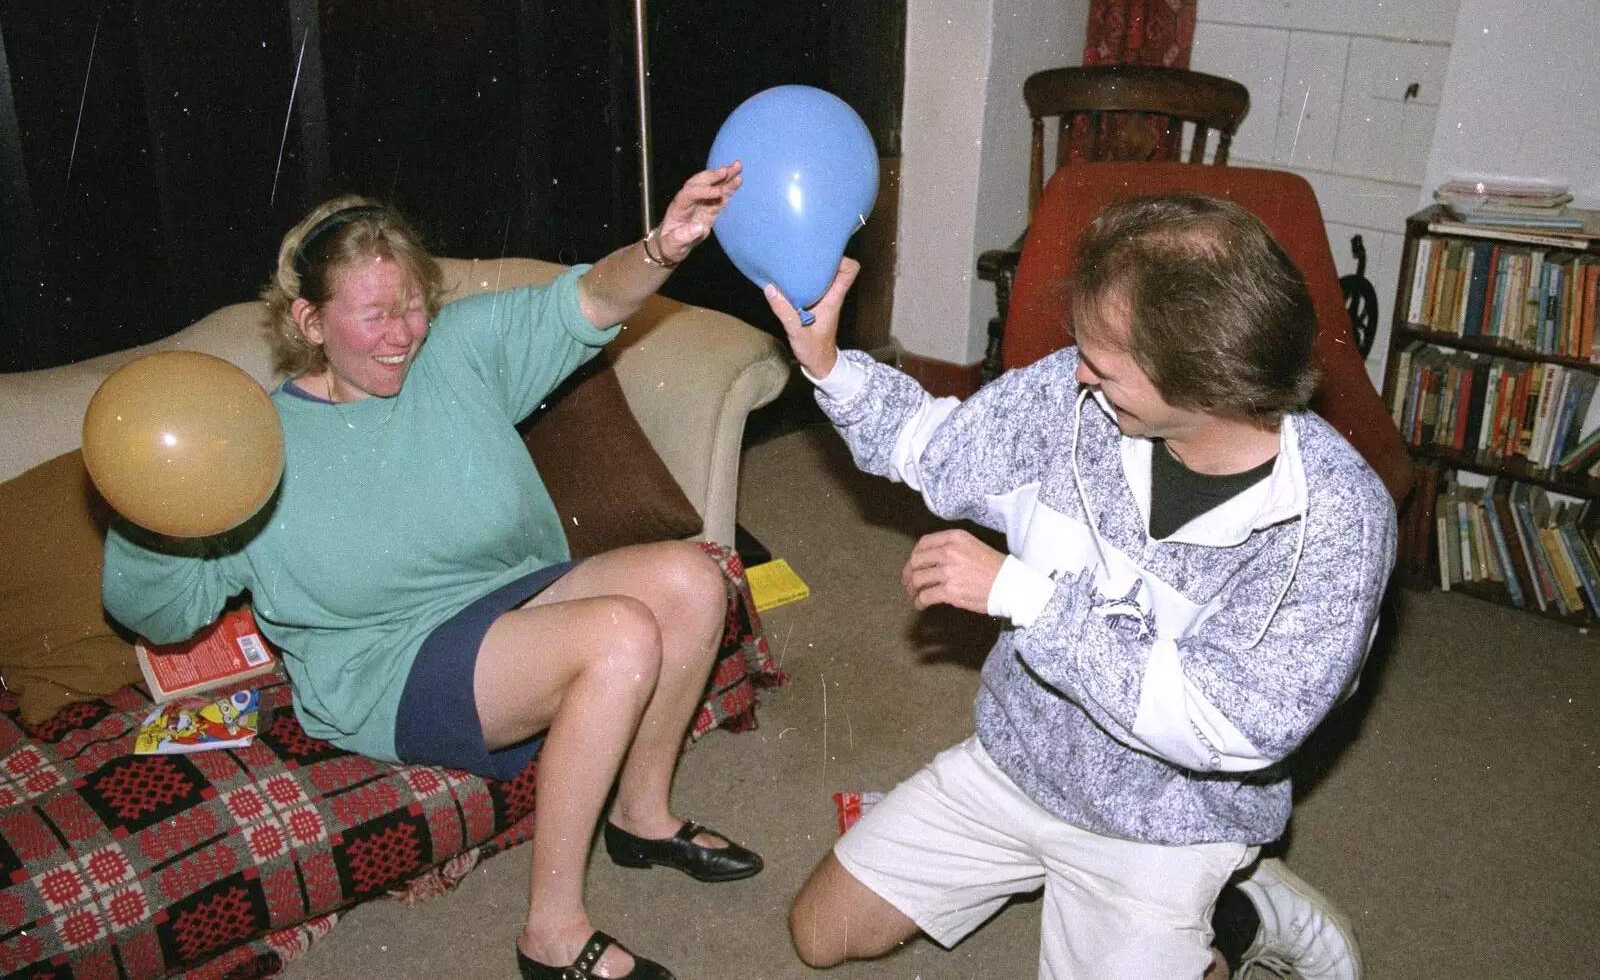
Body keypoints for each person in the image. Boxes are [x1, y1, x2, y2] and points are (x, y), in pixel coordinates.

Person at [103, 164, 757, 980]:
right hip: (386, 661)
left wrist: (664, 246)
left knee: (695, 581)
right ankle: (550, 934)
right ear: (308, 320)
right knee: (621, 636)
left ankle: (642, 812)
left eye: (411, 304)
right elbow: (161, 618)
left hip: (505, 595)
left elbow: (591, 301)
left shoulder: (457, 352)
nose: (402, 332)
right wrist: (150, 504)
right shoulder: (251, 447)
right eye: (374, 314)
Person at [763, 193, 1393, 980]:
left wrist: (1026, 596)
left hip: (1168, 821)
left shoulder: (1336, 523)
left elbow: (1227, 724)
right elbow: (945, 450)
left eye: (1104, 361)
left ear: (1204, 382)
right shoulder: (1079, 394)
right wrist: (829, 365)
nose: (1078, 370)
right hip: (1019, 757)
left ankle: (1236, 912)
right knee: (821, 932)